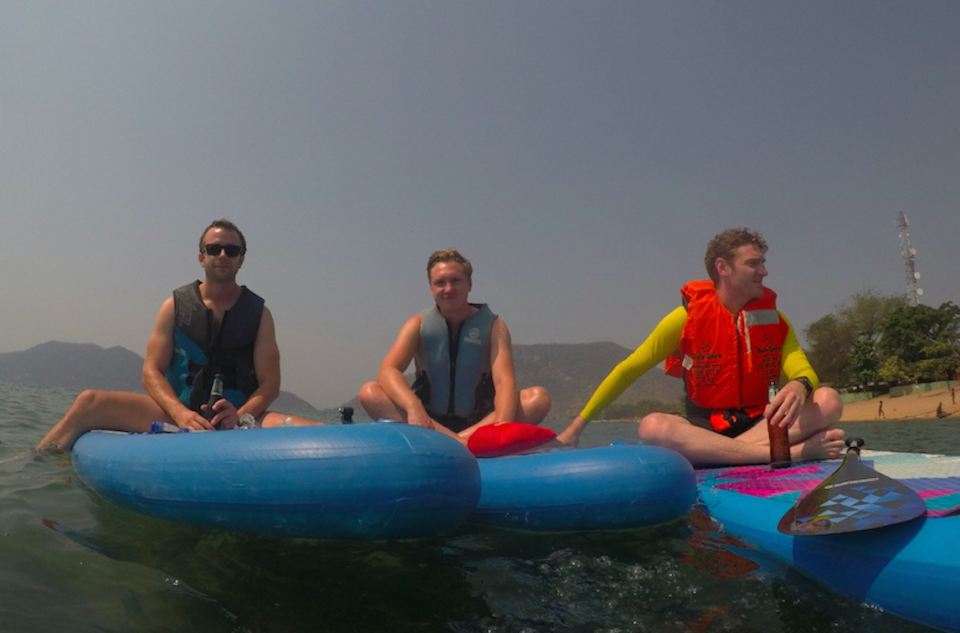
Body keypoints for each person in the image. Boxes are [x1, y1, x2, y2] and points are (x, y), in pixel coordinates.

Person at [558, 227, 845, 467]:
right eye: (753, 264)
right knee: (652, 426)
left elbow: (803, 371)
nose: (764, 271)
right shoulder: (684, 319)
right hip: (705, 428)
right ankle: (789, 454)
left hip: (761, 425)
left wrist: (799, 386)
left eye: (763, 263)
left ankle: (724, 455)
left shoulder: (775, 320)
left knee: (828, 399)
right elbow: (629, 369)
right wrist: (576, 427)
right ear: (723, 268)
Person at [38, 220, 318, 451]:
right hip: (177, 411)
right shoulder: (174, 307)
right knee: (89, 402)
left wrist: (241, 415)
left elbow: (270, 384)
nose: (223, 255)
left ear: (241, 259)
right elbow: (150, 371)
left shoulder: (260, 315)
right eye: (214, 249)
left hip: (241, 418)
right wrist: (180, 413)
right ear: (201, 257)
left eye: (232, 251)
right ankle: (36, 468)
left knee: (317, 432)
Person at [358, 248, 551, 442]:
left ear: (469, 284)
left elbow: (504, 382)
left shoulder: (494, 327)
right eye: (440, 283)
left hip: (480, 422)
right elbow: (388, 371)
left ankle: (453, 440)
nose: (448, 289)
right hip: (428, 420)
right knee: (369, 392)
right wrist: (413, 407)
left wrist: (501, 427)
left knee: (538, 398)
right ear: (431, 288)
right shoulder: (416, 324)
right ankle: (460, 443)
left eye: (455, 281)